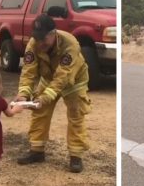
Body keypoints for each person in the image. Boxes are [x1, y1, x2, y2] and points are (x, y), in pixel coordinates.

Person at [15, 14, 91, 173]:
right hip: (48, 78)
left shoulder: (70, 44)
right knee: (39, 110)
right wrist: (23, 94)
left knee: (76, 114)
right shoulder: (34, 44)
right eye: (37, 38)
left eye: (43, 38)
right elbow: (29, 71)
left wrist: (45, 97)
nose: (40, 42)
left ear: (53, 33)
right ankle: (37, 151)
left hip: (73, 80)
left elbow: (63, 76)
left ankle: (76, 156)